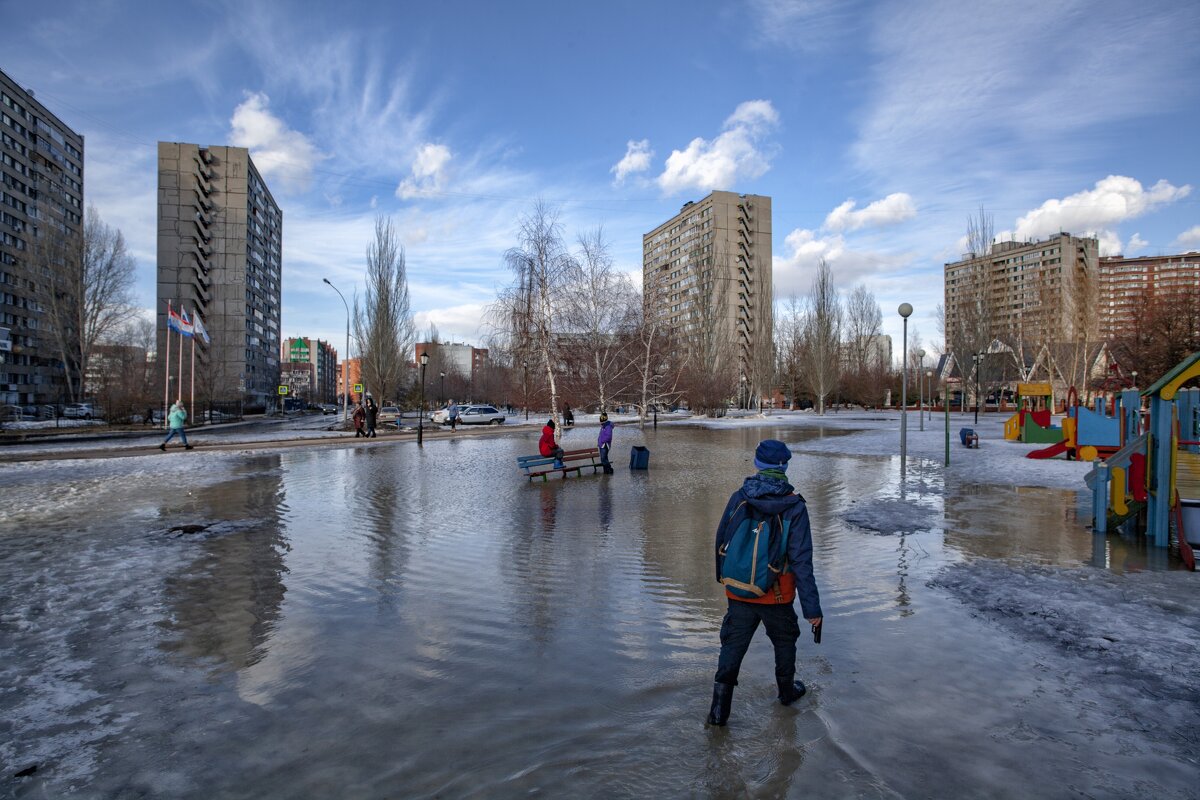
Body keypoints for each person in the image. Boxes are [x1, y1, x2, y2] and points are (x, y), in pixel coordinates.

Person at [707, 439, 822, 727]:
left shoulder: (740, 496)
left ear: (758, 464)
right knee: (784, 642)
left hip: (740, 591)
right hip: (777, 595)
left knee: (732, 647)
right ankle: (786, 693)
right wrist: (813, 609)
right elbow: (801, 562)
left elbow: (722, 539)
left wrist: (727, 579)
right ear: (784, 466)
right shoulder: (794, 505)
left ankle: (719, 712)